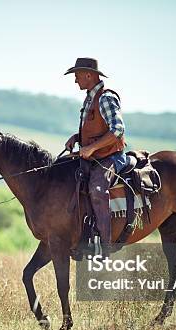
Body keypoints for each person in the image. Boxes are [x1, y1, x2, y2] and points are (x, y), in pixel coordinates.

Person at [64, 57, 126, 258]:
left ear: (89, 75)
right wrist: (77, 138)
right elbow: (95, 129)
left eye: (77, 76)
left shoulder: (106, 97)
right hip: (95, 157)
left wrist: (91, 148)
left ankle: (106, 247)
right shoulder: (90, 97)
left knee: (97, 189)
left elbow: (117, 129)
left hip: (111, 157)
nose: (75, 81)